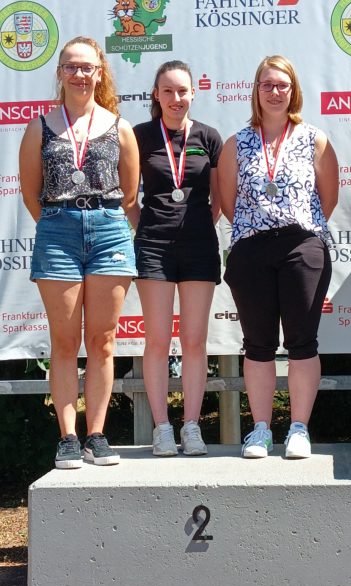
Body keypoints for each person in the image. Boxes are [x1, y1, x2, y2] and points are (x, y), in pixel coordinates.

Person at [19, 36, 139, 468]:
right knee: (65, 342)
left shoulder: (119, 126)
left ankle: (97, 434)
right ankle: (68, 437)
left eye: (86, 66)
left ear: (100, 72)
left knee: (103, 341)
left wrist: (99, 221)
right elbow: (31, 193)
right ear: (60, 73)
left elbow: (129, 194)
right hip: (58, 232)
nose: (79, 74)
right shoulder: (40, 126)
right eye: (71, 66)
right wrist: (58, 225)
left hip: (109, 230)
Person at [218, 55, 338, 459]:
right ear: (256, 90)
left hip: (302, 247)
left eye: (282, 85)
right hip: (252, 249)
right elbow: (229, 203)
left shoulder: (314, 139)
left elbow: (328, 198)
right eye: (267, 84)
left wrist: (296, 230)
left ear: (293, 90)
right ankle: (261, 430)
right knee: (258, 344)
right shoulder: (237, 142)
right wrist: (259, 229)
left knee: (303, 340)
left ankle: (299, 429)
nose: (275, 91)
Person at [129, 60, 222, 456]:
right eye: (168, 91)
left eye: (182, 90)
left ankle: (192, 426)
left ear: (193, 94)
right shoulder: (138, 136)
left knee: (195, 339)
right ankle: (163, 428)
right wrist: (148, 227)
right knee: (157, 340)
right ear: (156, 95)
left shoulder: (209, 136)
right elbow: (129, 199)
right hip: (153, 247)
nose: (176, 98)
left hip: (199, 246)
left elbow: (218, 200)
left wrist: (196, 225)